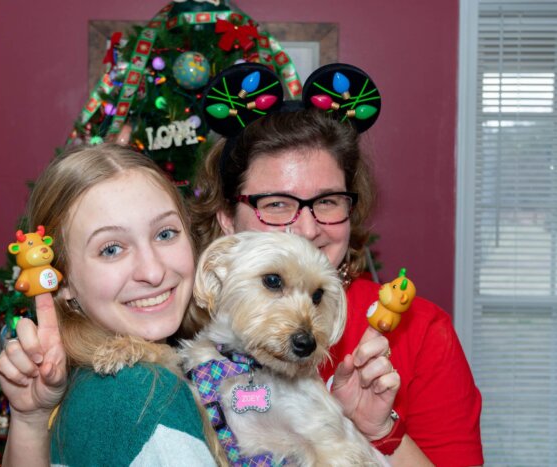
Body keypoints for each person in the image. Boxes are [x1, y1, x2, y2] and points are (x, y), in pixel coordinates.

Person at [190, 106, 483, 466]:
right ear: (228, 221)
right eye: (277, 204)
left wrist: (378, 433)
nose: (308, 229)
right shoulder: (179, 323)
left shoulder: (421, 330)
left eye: (327, 202)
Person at [0, 144, 216, 466]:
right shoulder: (143, 393)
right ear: (64, 280)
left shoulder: (76, 381)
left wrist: (30, 422)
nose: (153, 272)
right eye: (111, 249)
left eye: (165, 233)